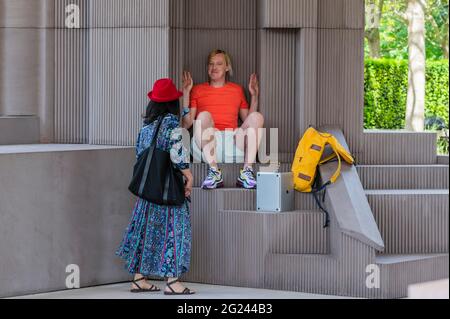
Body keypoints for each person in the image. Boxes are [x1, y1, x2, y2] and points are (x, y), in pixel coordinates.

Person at [116, 78, 195, 295]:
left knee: (145, 231)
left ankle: (139, 279)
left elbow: (140, 154)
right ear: (172, 103)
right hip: (168, 192)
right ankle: (172, 282)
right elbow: (178, 157)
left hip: (148, 191)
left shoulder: (146, 128)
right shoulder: (172, 125)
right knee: (175, 231)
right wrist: (189, 176)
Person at [181, 49, 265, 189]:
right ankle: (214, 172)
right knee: (204, 115)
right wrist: (186, 94)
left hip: (232, 143)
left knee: (257, 117)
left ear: (227, 67)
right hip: (206, 142)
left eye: (219, 64)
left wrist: (254, 97)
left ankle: (246, 172)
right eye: (211, 64)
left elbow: (248, 121)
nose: (214, 68)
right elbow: (187, 123)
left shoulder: (237, 90)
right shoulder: (198, 90)